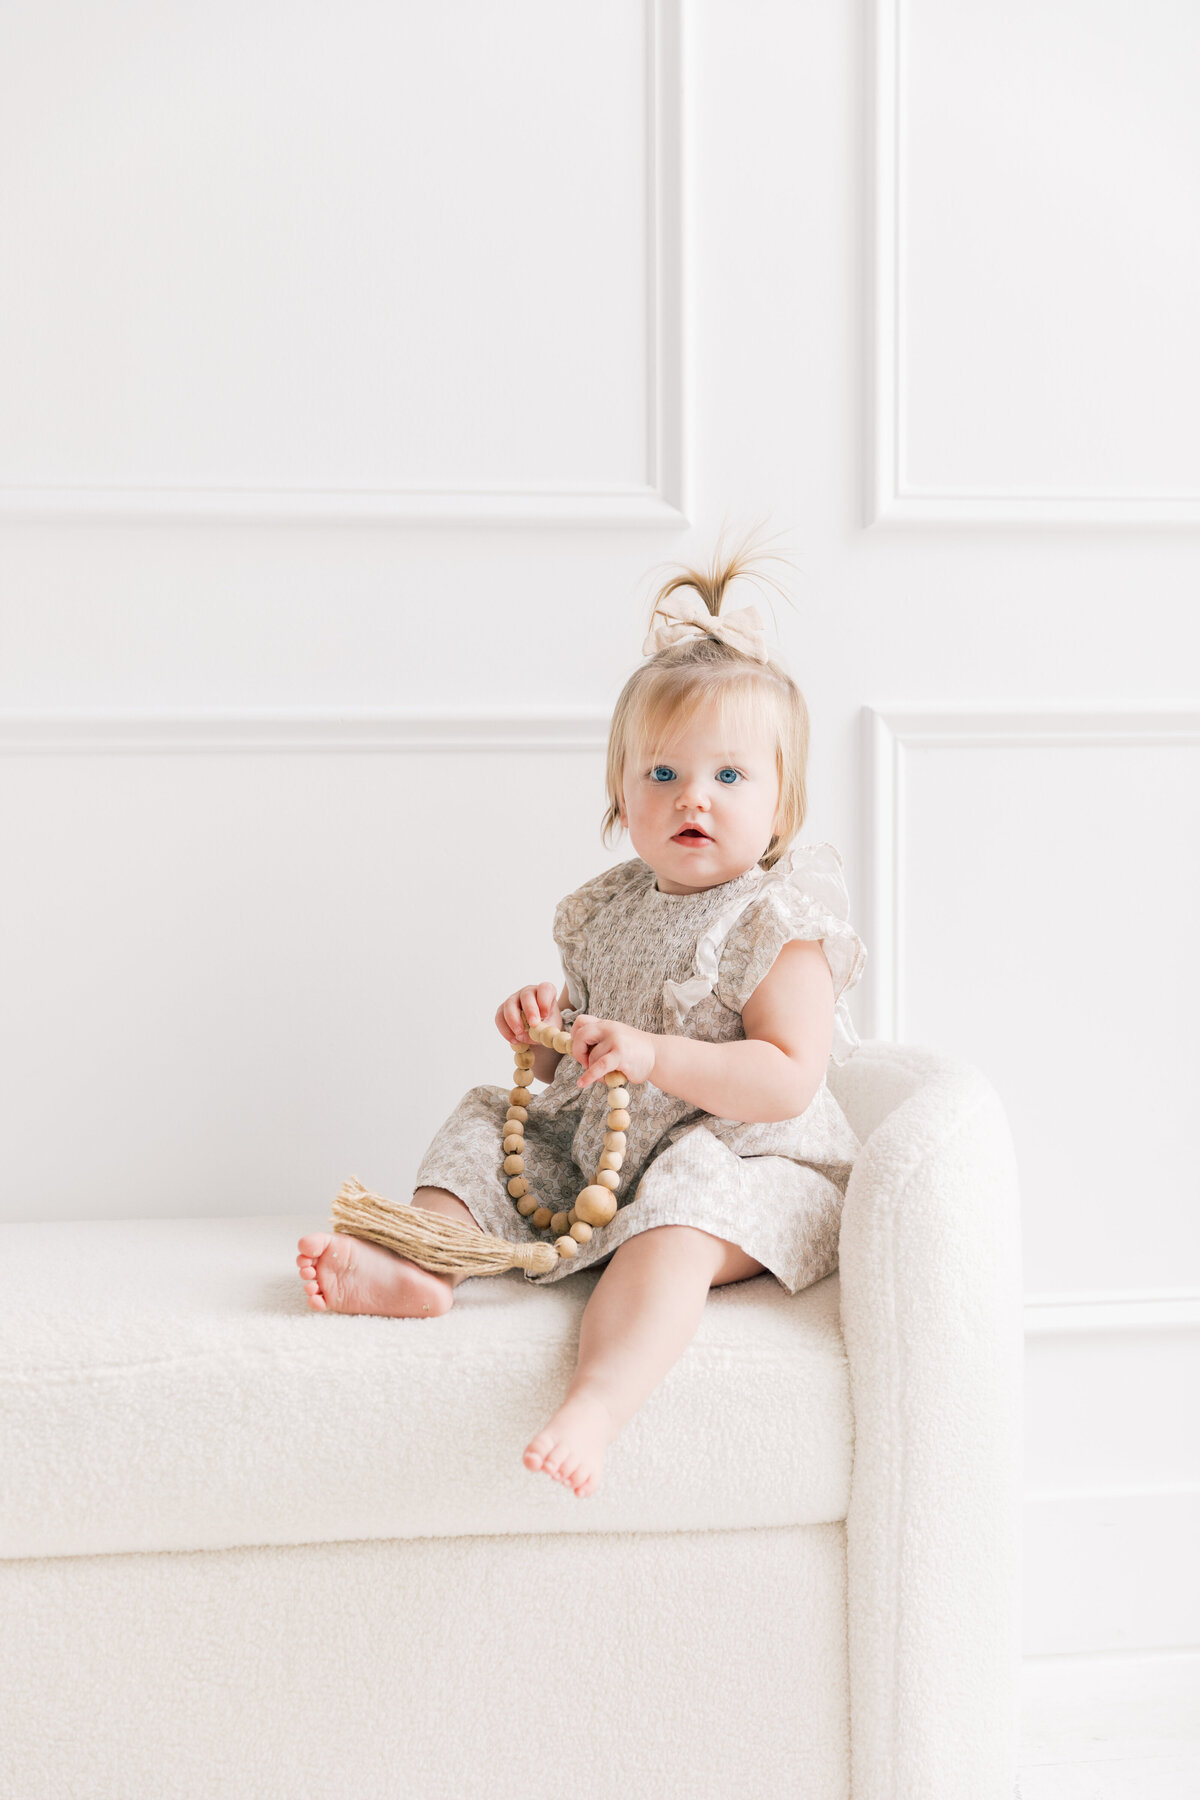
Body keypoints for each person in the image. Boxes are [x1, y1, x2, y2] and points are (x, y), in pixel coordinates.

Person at [296, 540, 866, 1500]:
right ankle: (427, 1261)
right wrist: (552, 1026)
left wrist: (653, 1054)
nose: (693, 795)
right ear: (622, 799)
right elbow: (593, 1037)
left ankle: (600, 1400)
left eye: (731, 776)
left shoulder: (779, 922)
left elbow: (788, 1076)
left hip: (741, 1160)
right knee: (484, 1123)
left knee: (676, 1222)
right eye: (663, 774)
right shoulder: (610, 908)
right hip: (612, 1143)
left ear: (782, 807)